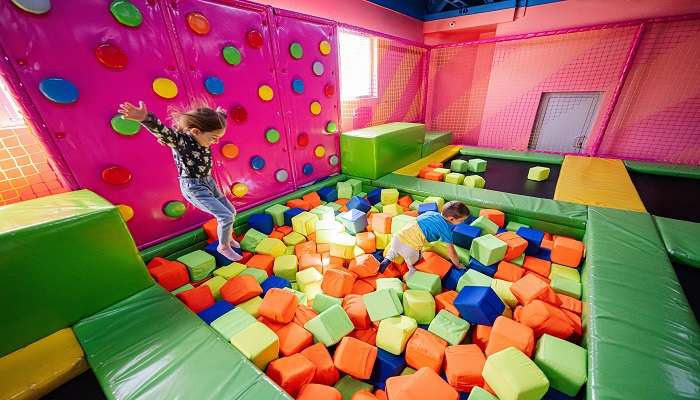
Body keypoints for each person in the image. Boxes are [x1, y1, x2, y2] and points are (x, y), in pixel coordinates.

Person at [118, 100, 242, 262]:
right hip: (194, 186)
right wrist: (145, 118)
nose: (216, 142)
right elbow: (163, 132)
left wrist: (219, 116)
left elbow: (213, 124)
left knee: (231, 212)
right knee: (225, 216)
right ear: (196, 131)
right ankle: (223, 246)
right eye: (214, 137)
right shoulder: (181, 141)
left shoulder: (201, 137)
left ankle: (227, 238)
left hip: (208, 182)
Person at [380, 200, 470, 277]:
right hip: (410, 248)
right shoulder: (445, 229)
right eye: (461, 220)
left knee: (394, 249)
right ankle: (411, 272)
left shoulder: (431, 213)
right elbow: (452, 252)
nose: (462, 222)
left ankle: (388, 258)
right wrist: (458, 265)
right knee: (416, 261)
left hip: (397, 237)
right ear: (451, 219)